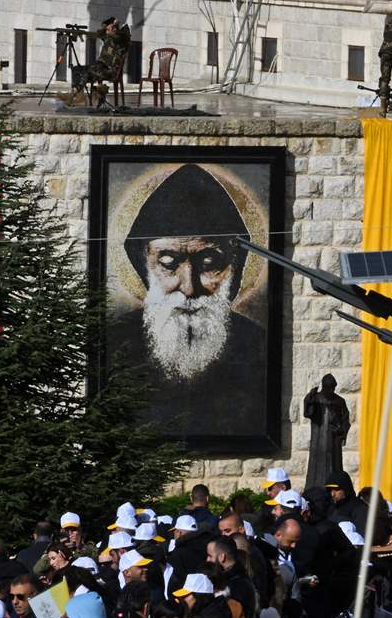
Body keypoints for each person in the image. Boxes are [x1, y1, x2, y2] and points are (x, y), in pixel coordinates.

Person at [105, 163, 269, 439]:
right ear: (142, 266)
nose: (190, 287)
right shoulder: (113, 344)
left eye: (210, 263)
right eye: (168, 263)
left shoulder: (258, 346)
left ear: (236, 268)